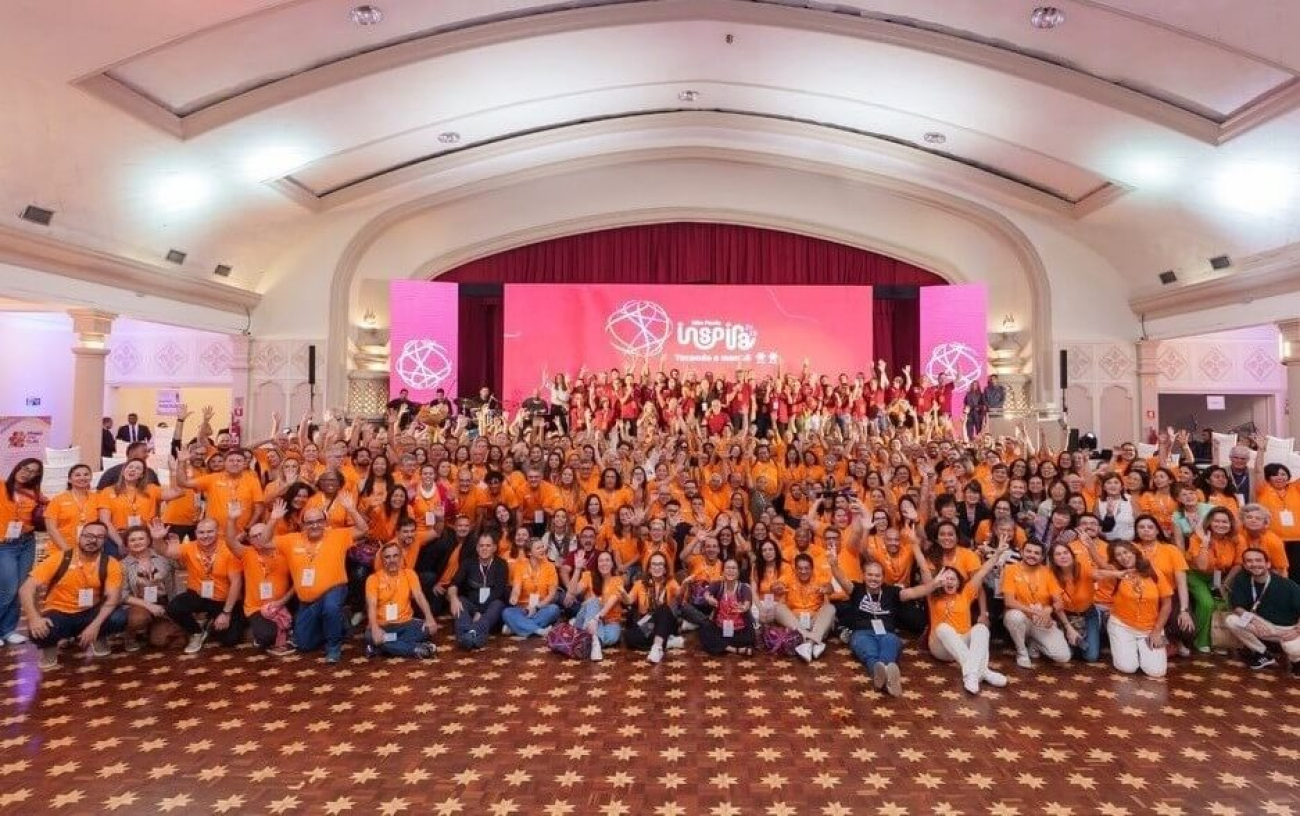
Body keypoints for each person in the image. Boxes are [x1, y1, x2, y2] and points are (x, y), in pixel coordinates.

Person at [264, 497, 370, 663]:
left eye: (319, 521)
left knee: (330, 606)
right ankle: (340, 623)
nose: (315, 525)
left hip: (334, 589)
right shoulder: (291, 540)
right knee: (305, 644)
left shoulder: (337, 535)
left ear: (325, 522)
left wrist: (351, 509)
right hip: (307, 601)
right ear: (303, 525)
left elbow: (363, 529)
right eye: (310, 522)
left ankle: (333, 648)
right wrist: (273, 519)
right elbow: (264, 542)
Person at [828, 544, 932, 697]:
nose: (873, 578)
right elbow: (841, 578)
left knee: (890, 645)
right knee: (869, 653)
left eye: (877, 576)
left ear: (883, 578)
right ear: (863, 576)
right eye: (870, 575)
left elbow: (915, 592)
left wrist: (935, 584)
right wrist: (833, 564)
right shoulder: (856, 589)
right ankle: (889, 677)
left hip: (887, 633)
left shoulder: (892, 592)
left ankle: (881, 676)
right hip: (862, 633)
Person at [19, 521, 126, 669]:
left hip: (91, 611)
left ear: (105, 541)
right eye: (88, 535)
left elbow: (112, 599)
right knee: (39, 631)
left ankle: (97, 637)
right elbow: (26, 588)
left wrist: (95, 626)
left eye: (99, 537)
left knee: (118, 617)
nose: (92, 540)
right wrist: (34, 618)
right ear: (79, 536)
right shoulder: (60, 558)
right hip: (60, 612)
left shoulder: (110, 563)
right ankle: (50, 649)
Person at [913, 539, 1009, 694]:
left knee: (981, 628)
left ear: (959, 582)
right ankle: (983, 672)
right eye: (945, 578)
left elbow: (983, 571)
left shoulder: (966, 593)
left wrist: (997, 553)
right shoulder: (933, 595)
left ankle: (973, 674)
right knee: (943, 627)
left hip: (962, 643)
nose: (949, 581)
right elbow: (924, 569)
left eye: (953, 578)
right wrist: (914, 543)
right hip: (941, 647)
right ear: (939, 580)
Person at [154, 518, 245, 654]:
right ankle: (196, 632)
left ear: (218, 532)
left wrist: (226, 613)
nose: (205, 535)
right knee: (174, 607)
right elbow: (165, 551)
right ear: (195, 533)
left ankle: (213, 622)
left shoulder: (228, 550)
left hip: (224, 600)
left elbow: (236, 584)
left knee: (229, 640)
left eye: (210, 531)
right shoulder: (190, 547)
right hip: (199, 595)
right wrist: (157, 539)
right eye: (201, 532)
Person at [223, 518, 295, 656]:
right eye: (254, 536)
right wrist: (232, 519)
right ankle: (264, 630)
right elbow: (230, 542)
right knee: (266, 636)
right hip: (255, 608)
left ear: (270, 534)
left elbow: (298, 583)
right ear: (249, 540)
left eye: (262, 534)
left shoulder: (284, 553)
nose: (259, 538)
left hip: (283, 604)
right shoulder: (247, 553)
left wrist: (282, 602)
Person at [1224, 547, 1300, 674]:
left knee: (1293, 648)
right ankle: (1263, 654)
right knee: (1232, 620)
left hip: (1287, 629)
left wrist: (1297, 630)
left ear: (1268, 564)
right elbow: (1237, 606)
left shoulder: (1288, 586)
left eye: (1258, 560)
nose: (1254, 564)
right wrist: (1253, 620)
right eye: (1249, 561)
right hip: (1262, 625)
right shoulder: (1242, 579)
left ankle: (1296, 662)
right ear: (1245, 565)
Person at [1103, 540, 1172, 678]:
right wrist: (1091, 547)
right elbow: (1097, 569)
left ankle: (1140, 650)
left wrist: (1157, 631)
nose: (1123, 557)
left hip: (1150, 628)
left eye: (1126, 552)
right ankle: (1126, 648)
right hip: (1122, 625)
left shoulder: (1154, 572)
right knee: (1127, 668)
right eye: (1118, 555)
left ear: (1135, 552)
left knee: (1157, 672)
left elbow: (1167, 604)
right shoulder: (1117, 573)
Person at [1001, 538, 1071, 669]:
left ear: (1042, 557)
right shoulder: (1010, 569)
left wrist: (1048, 610)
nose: (1032, 555)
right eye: (1028, 551)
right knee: (1014, 616)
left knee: (1063, 657)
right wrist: (1036, 612)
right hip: (1022, 618)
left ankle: (1035, 642)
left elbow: (1059, 601)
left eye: (1036, 553)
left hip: (1042, 621)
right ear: (1021, 552)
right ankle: (1022, 652)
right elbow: (1009, 601)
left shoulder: (1048, 572)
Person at [364, 541, 438, 658]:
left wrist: (429, 618)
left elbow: (419, 596)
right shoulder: (373, 579)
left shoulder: (409, 574)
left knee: (428, 630)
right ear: (382, 560)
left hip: (406, 624)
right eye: (387, 557)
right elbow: (371, 604)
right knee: (370, 636)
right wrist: (374, 628)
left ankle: (379, 648)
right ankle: (414, 649)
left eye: (395, 556)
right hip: (384, 626)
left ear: (400, 557)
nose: (392, 560)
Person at [0, 458, 44, 646]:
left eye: (33, 471)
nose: (27, 473)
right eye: (25, 468)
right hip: (4, 545)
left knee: (20, 588)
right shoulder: (2, 486)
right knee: (7, 588)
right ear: (17, 467)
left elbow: (48, 509)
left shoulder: (35, 493)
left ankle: (8, 630)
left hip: (27, 542)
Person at [120, 524, 182, 651]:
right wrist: (149, 606)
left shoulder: (163, 556)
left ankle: (153, 629)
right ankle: (130, 635)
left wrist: (176, 547)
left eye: (141, 538)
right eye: (132, 540)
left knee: (164, 641)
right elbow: (123, 595)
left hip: (164, 601)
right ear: (126, 544)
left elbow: (182, 565)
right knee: (138, 619)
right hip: (140, 604)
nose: (137, 542)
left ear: (149, 540)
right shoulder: (122, 565)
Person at [447, 533, 510, 651]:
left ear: (494, 548)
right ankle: (472, 635)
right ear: (477, 548)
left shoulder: (501, 564)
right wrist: (453, 598)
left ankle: (468, 634)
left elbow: (498, 592)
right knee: (460, 601)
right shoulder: (468, 563)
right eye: (481, 546)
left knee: (497, 604)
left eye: (488, 545)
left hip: (490, 606)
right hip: (472, 603)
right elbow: (454, 584)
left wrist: (481, 611)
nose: (484, 548)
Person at [776, 552, 836, 663]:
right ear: (795, 569)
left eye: (806, 568)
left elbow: (830, 587)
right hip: (795, 622)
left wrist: (827, 589)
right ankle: (813, 641)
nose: (803, 571)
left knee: (830, 608)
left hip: (815, 622)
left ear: (812, 568)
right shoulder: (789, 577)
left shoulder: (819, 577)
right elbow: (775, 586)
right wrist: (777, 587)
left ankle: (807, 643)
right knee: (778, 608)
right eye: (800, 568)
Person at [565, 548, 625, 661]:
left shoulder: (618, 580)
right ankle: (595, 641)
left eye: (607, 560)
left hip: (608, 621)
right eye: (601, 561)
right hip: (586, 617)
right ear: (597, 564)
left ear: (612, 564)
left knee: (613, 637)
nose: (604, 563)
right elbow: (573, 591)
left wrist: (597, 618)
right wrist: (577, 569)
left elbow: (611, 602)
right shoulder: (588, 576)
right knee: (593, 602)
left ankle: (586, 637)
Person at [624, 551, 683, 664]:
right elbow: (629, 600)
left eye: (660, 564)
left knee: (663, 608)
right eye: (654, 564)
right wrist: (623, 594)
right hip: (648, 622)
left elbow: (680, 594)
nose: (657, 567)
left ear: (665, 569)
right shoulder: (639, 583)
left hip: (667, 622)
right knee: (629, 637)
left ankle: (657, 648)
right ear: (649, 569)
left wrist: (684, 584)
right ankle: (668, 642)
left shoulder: (671, 582)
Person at [501, 537, 561, 638]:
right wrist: (514, 597)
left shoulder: (550, 567)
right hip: (523, 609)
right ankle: (538, 630)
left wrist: (536, 607)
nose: (542, 550)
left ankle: (516, 627)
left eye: (542, 547)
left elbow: (552, 594)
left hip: (541, 608)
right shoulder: (520, 566)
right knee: (507, 612)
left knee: (554, 609)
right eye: (538, 548)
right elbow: (516, 588)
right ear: (530, 553)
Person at [696, 557, 756, 657]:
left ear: (738, 572)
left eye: (733, 568)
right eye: (728, 568)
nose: (730, 571)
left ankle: (722, 647)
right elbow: (707, 593)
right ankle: (735, 650)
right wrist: (709, 598)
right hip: (721, 629)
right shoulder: (718, 585)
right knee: (704, 629)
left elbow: (747, 602)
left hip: (739, 631)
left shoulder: (744, 588)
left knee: (750, 636)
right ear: (723, 571)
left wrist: (743, 608)